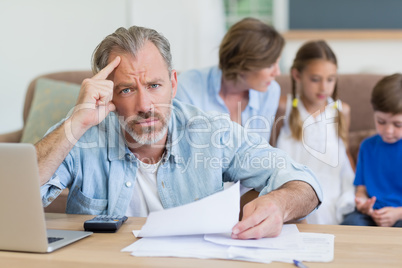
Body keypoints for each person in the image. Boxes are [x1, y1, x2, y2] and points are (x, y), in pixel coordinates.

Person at [36, 25, 322, 239]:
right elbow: (15, 195)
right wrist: (75, 122)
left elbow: (303, 180)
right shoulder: (84, 132)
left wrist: (278, 205)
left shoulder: (211, 131)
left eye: (154, 85)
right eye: (127, 89)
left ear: (174, 83)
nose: (145, 105)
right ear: (108, 92)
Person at [271, 40, 355, 225]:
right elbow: (268, 152)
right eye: (315, 79)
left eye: (330, 79)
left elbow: (345, 155)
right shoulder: (284, 108)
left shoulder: (342, 111)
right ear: (297, 75)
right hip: (293, 198)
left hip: (332, 198)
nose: (324, 87)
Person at [176, 17, 284, 142]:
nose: (277, 72)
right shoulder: (186, 88)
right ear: (243, 63)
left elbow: (258, 149)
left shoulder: (270, 90)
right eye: (270, 65)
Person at [342, 73, 402, 227]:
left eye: (397, 124)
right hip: (372, 214)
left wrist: (397, 213)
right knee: (351, 222)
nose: (388, 130)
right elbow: (361, 189)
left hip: (399, 214)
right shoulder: (367, 147)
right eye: (381, 122)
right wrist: (363, 204)